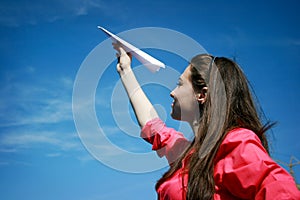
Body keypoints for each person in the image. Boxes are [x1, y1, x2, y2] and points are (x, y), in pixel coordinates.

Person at [113, 43, 300, 200]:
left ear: (202, 95)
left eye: (179, 84)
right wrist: (126, 70)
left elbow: (279, 189)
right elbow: (154, 127)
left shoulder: (235, 142)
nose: (172, 92)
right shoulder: (189, 156)